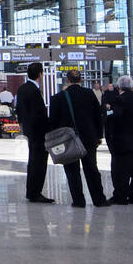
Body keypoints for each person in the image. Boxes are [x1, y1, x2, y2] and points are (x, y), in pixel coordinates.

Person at [48, 70, 108, 208]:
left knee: (72, 171)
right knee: (91, 168)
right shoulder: (89, 94)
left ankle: (79, 201)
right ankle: (99, 200)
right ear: (80, 80)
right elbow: (97, 116)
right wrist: (99, 135)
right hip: (88, 138)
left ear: (67, 80)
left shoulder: (58, 98)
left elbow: (53, 122)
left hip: (67, 140)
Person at [105, 75, 133, 205]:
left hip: (122, 141)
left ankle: (121, 196)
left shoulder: (119, 100)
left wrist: (108, 112)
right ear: (132, 86)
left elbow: (116, 116)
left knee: (121, 171)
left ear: (119, 87)